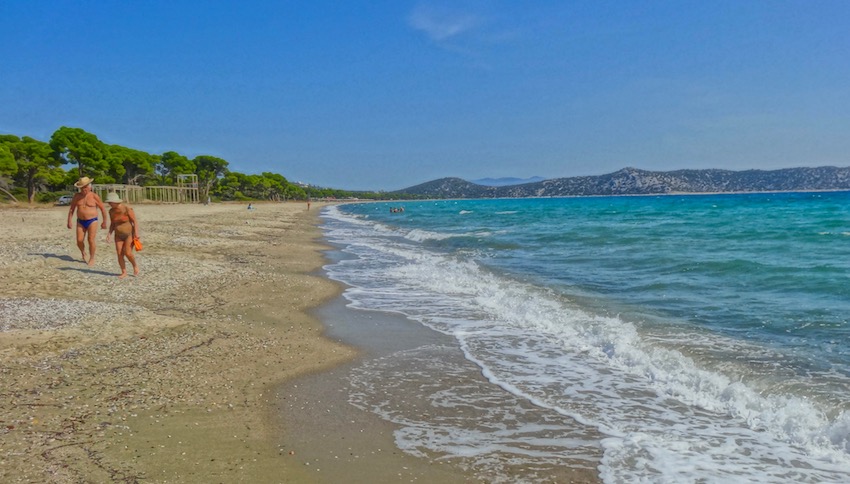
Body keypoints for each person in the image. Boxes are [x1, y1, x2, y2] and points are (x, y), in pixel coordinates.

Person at [66, 176, 107, 266]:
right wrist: (69, 220)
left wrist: (104, 221)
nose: (84, 189)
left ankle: (92, 257)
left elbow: (103, 209)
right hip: (80, 221)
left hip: (92, 220)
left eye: (86, 187)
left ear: (89, 186)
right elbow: (72, 209)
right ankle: (83, 252)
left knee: (90, 239)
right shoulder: (77, 196)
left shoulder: (94, 196)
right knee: (79, 240)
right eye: (82, 187)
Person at [104, 192, 140, 278]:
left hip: (129, 234)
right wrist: (109, 234)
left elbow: (134, 221)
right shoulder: (111, 211)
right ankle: (124, 272)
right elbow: (112, 223)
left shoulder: (126, 208)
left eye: (110, 202)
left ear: (115, 201)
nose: (109, 204)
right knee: (119, 253)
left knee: (127, 252)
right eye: (108, 202)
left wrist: (136, 233)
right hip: (118, 235)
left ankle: (135, 266)